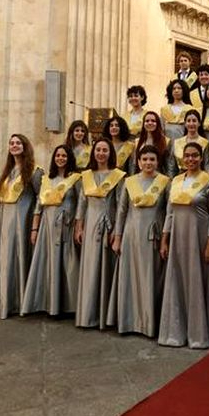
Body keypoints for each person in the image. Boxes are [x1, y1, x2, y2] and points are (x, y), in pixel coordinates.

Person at [158, 142, 209, 348]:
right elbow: (169, 212)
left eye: (195, 156)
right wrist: (164, 240)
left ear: (201, 158)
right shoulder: (175, 181)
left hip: (200, 238)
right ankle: (177, 331)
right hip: (177, 238)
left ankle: (200, 333)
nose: (191, 159)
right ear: (182, 158)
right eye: (187, 156)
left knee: (199, 282)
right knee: (177, 281)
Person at [110, 145, 170, 336]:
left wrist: (165, 240)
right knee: (131, 278)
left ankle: (150, 323)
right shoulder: (129, 182)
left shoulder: (165, 182)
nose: (148, 163)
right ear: (138, 161)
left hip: (153, 236)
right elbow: (121, 211)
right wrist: (118, 237)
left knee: (151, 277)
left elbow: (169, 213)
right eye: (144, 159)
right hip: (131, 236)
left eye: (152, 159)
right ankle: (130, 322)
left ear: (157, 162)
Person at [22, 145, 80, 317]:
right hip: (47, 226)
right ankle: (46, 302)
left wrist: (78, 225)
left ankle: (68, 305)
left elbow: (81, 205)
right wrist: (34, 229)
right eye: (58, 155)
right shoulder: (46, 179)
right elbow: (38, 207)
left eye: (64, 155)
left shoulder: (76, 179)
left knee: (67, 264)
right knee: (47, 262)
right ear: (54, 158)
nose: (61, 158)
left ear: (69, 158)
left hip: (66, 226)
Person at [74, 139, 126, 329]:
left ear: (110, 153)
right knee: (90, 268)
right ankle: (88, 314)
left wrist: (117, 231)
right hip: (90, 225)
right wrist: (79, 227)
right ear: (93, 153)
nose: (101, 153)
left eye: (105, 150)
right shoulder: (86, 175)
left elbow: (121, 206)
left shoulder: (118, 176)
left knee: (105, 268)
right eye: (98, 150)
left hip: (108, 226)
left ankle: (105, 315)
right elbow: (82, 203)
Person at [0, 134, 43, 319]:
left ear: (25, 146)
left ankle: (20, 301)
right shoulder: (8, 171)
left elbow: (40, 198)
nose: (14, 146)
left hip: (22, 219)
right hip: (5, 219)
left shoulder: (35, 171)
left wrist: (35, 224)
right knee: (5, 259)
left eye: (18, 143)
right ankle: (4, 301)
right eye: (11, 143)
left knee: (18, 257)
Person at [170, 109, 209, 174]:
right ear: (185, 123)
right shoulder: (177, 142)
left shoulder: (206, 143)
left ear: (199, 123)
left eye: (194, 121)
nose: (191, 123)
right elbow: (171, 165)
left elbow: (207, 166)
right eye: (188, 121)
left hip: (200, 178)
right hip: (180, 179)